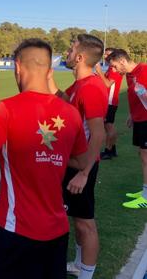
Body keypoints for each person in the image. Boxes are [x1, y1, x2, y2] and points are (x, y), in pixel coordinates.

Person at [0, 38, 88, 279]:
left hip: (15, 229)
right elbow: (81, 161)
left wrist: (6, 153)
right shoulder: (70, 113)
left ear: (17, 67)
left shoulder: (7, 108)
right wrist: (50, 154)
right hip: (57, 230)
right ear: (49, 71)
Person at [49, 34, 107, 279]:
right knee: (75, 218)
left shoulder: (92, 87)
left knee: (85, 222)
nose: (68, 53)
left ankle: (86, 274)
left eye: (71, 50)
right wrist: (48, 77)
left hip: (82, 166)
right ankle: (77, 263)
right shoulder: (79, 86)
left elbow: (99, 134)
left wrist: (84, 174)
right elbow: (63, 99)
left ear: (81, 57)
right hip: (72, 163)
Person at [107, 49, 147, 209]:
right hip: (139, 118)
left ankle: (146, 196)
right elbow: (136, 96)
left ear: (122, 61)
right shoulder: (130, 75)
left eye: (115, 66)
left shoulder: (143, 70)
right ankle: (144, 190)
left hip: (146, 119)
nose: (115, 71)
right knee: (142, 154)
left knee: (145, 156)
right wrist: (132, 114)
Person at [95, 47, 123, 159]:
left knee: (108, 127)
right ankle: (112, 150)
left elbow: (108, 84)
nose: (105, 57)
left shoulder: (114, 69)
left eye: (108, 55)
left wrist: (99, 71)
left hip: (110, 102)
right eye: (105, 55)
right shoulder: (111, 68)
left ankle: (108, 151)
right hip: (109, 101)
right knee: (108, 126)